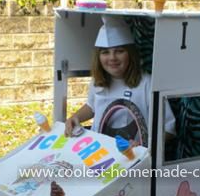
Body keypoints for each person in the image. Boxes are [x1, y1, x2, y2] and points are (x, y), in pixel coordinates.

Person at [65, 15, 175, 145]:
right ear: (98, 57)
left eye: (120, 51)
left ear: (130, 54)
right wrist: (75, 117)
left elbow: (168, 128)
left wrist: (143, 144)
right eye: (105, 52)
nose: (112, 58)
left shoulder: (147, 83)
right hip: (98, 150)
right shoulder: (97, 81)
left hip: (132, 156)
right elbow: (92, 106)